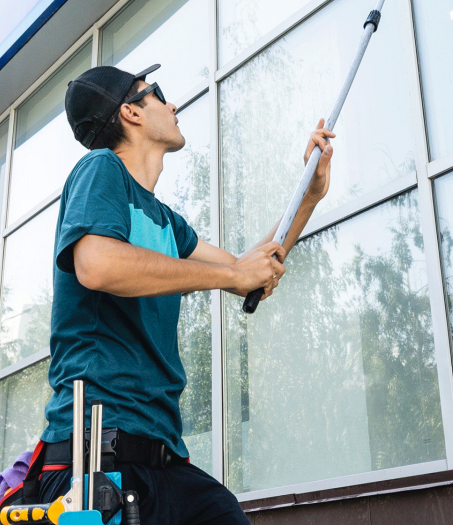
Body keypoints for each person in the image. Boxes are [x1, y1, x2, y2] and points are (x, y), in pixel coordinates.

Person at [34, 63, 334, 524]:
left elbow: (242, 269)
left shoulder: (165, 221)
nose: (172, 104)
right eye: (157, 94)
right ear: (130, 113)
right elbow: (96, 264)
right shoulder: (100, 170)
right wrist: (232, 277)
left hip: (163, 455)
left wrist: (308, 195)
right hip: (99, 453)